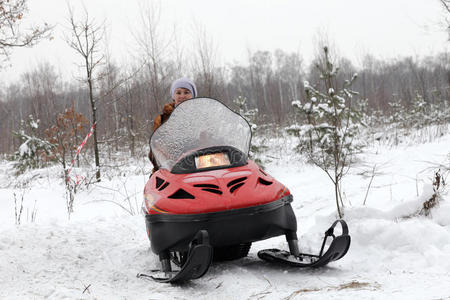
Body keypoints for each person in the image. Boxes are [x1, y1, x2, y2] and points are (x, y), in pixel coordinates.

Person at [148, 78, 197, 172]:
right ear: (173, 96)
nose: (182, 96)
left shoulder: (202, 116)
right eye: (178, 93)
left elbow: (211, 138)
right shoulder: (162, 119)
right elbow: (155, 147)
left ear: (193, 95)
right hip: (172, 167)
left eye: (186, 92)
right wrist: (164, 162)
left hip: (200, 164)